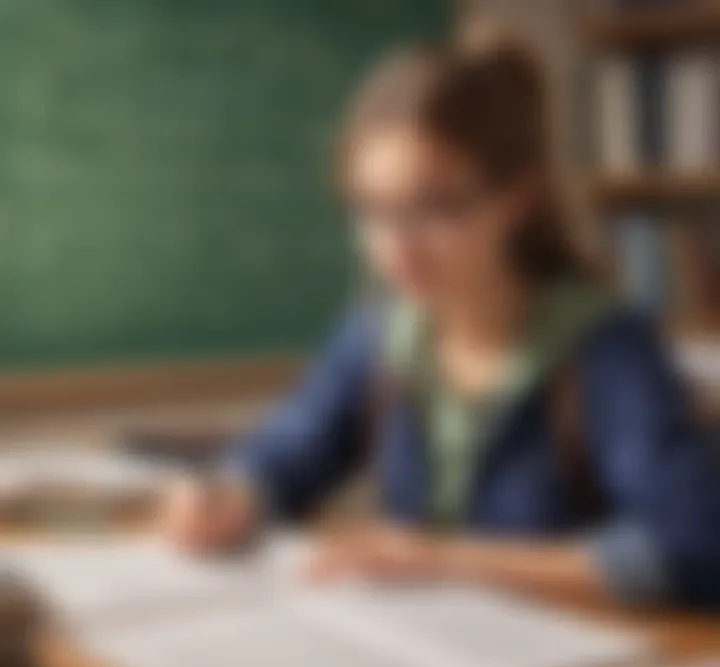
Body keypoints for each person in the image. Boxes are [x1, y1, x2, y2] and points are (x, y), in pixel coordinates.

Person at [160, 34, 720, 609]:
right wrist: (227, 493)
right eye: (371, 209)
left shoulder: (605, 347)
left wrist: (443, 561)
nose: (397, 247)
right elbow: (291, 450)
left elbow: (695, 546)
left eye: (436, 208)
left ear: (518, 199)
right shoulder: (379, 333)